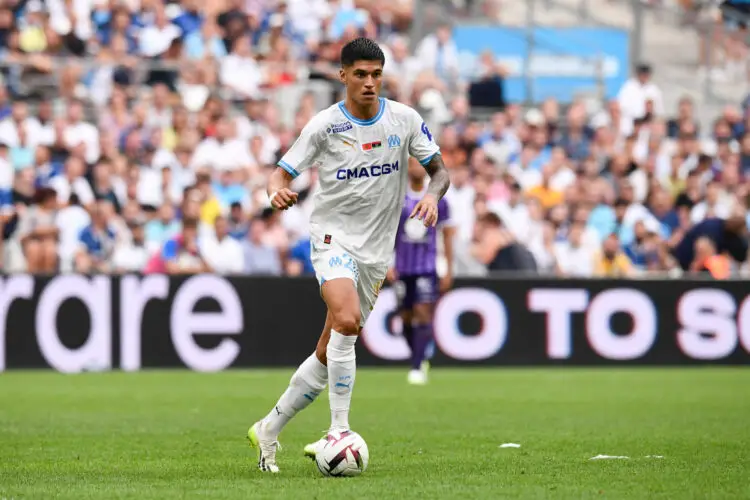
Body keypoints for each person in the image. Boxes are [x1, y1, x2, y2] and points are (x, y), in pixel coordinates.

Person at [247, 38, 450, 473]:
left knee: (329, 350)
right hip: (331, 239)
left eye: (376, 74)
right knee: (345, 320)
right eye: (360, 74)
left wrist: (432, 196)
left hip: (376, 252)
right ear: (343, 76)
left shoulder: (404, 120)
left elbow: (440, 170)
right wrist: (274, 191)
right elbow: (280, 172)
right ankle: (339, 430)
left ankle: (269, 428)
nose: (370, 83)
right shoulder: (324, 126)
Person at [389, 159, 454, 385]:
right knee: (405, 316)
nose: (416, 168)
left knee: (423, 312)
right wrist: (387, 263)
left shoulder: (438, 199)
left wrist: (448, 268)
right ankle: (419, 355)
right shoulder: (397, 197)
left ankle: (416, 367)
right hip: (402, 266)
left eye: (420, 164)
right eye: (412, 164)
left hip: (426, 266)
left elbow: (447, 234)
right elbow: (387, 232)